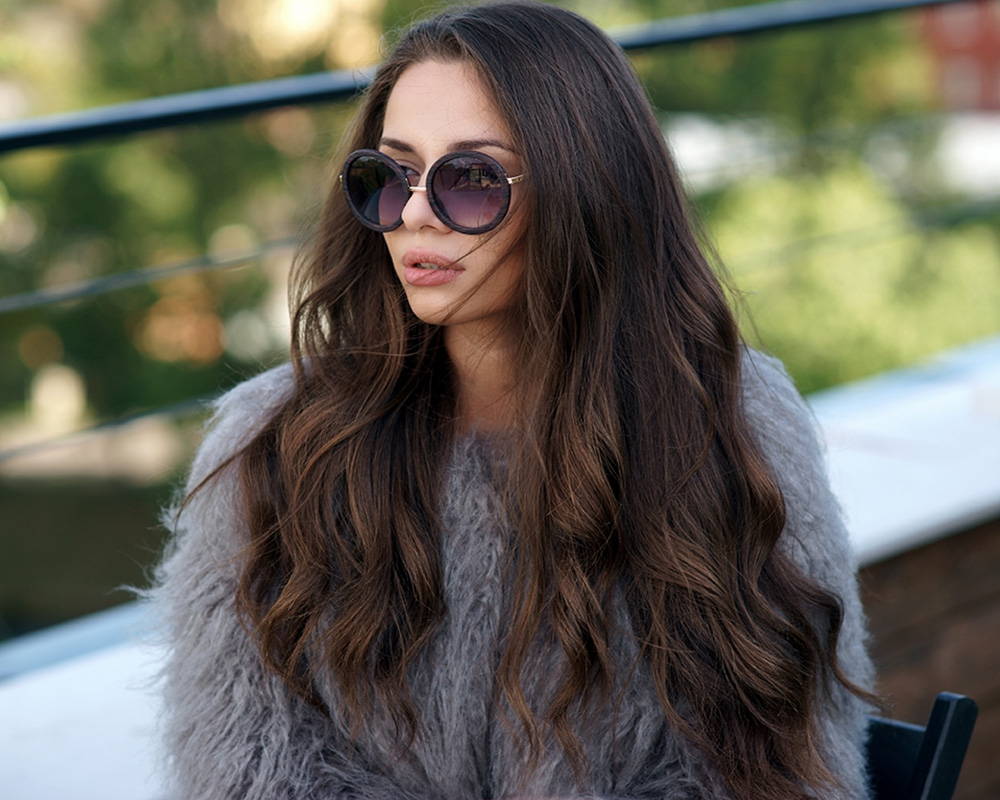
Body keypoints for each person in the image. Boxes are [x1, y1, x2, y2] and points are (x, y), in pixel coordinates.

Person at [133, 1, 884, 799]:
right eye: (386, 175)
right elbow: (246, 774)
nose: (415, 213)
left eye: (470, 180)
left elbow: (783, 771)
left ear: (582, 190)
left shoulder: (732, 422)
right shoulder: (277, 446)